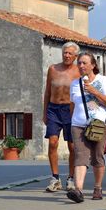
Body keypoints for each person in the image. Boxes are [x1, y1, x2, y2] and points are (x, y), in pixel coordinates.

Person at [66, 52, 106, 203]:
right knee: (80, 156)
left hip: (99, 125)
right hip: (79, 125)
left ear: (93, 65)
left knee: (98, 156)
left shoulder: (103, 80)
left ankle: (97, 187)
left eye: (84, 63)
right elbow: (73, 105)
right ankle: (78, 190)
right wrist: (72, 121)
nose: (81, 66)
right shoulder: (74, 83)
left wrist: (94, 91)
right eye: (79, 63)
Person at [43, 41, 80, 192]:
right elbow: (47, 92)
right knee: (52, 143)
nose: (66, 55)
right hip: (53, 109)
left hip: (70, 110)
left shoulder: (79, 71)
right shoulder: (53, 69)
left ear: (75, 56)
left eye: (70, 53)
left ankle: (71, 178)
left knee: (72, 146)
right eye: (65, 52)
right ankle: (55, 177)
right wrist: (45, 112)